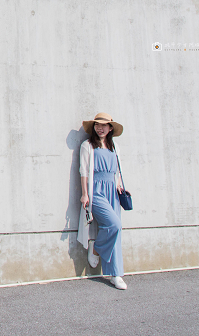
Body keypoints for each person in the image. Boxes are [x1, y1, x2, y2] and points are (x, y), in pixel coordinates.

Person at [78, 112, 127, 290]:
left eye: (104, 125)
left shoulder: (114, 147)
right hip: (96, 191)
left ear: (110, 128)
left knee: (116, 231)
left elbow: (117, 171)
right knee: (114, 225)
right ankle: (97, 248)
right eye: (98, 125)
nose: (100, 128)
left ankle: (116, 274)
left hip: (112, 191)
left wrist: (120, 185)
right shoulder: (88, 145)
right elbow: (83, 171)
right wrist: (85, 194)